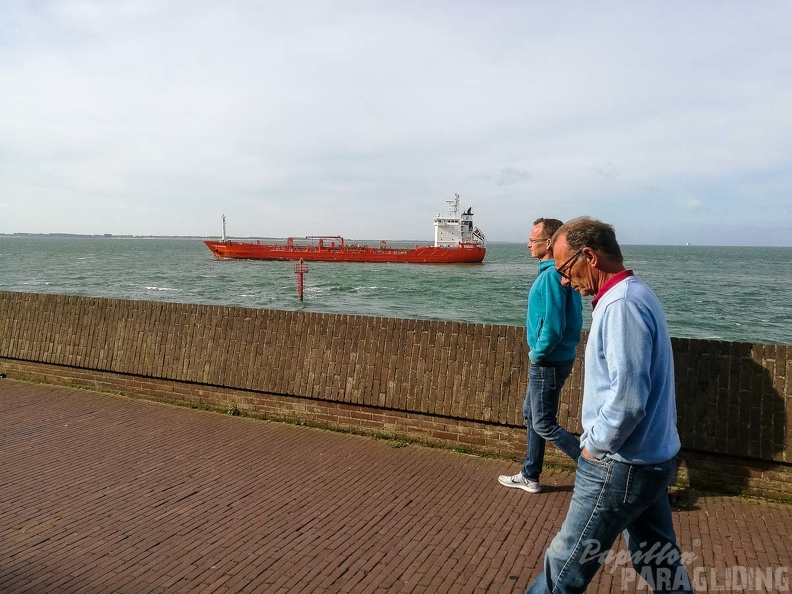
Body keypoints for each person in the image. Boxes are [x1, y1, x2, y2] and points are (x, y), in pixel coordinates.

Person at [525, 217, 692, 593]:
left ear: (590, 256)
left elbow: (627, 399)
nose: (565, 280)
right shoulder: (637, 293)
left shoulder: (622, 307)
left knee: (563, 568)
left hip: (621, 464)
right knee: (659, 560)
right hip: (650, 458)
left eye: (566, 268)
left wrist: (592, 447)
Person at [499, 218, 583, 494]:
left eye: (533, 240)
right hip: (558, 357)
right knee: (531, 414)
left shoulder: (550, 277)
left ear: (548, 243)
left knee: (544, 422)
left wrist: (538, 353)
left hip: (549, 360)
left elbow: (554, 326)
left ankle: (599, 472)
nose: (528, 244)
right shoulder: (560, 273)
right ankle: (530, 474)